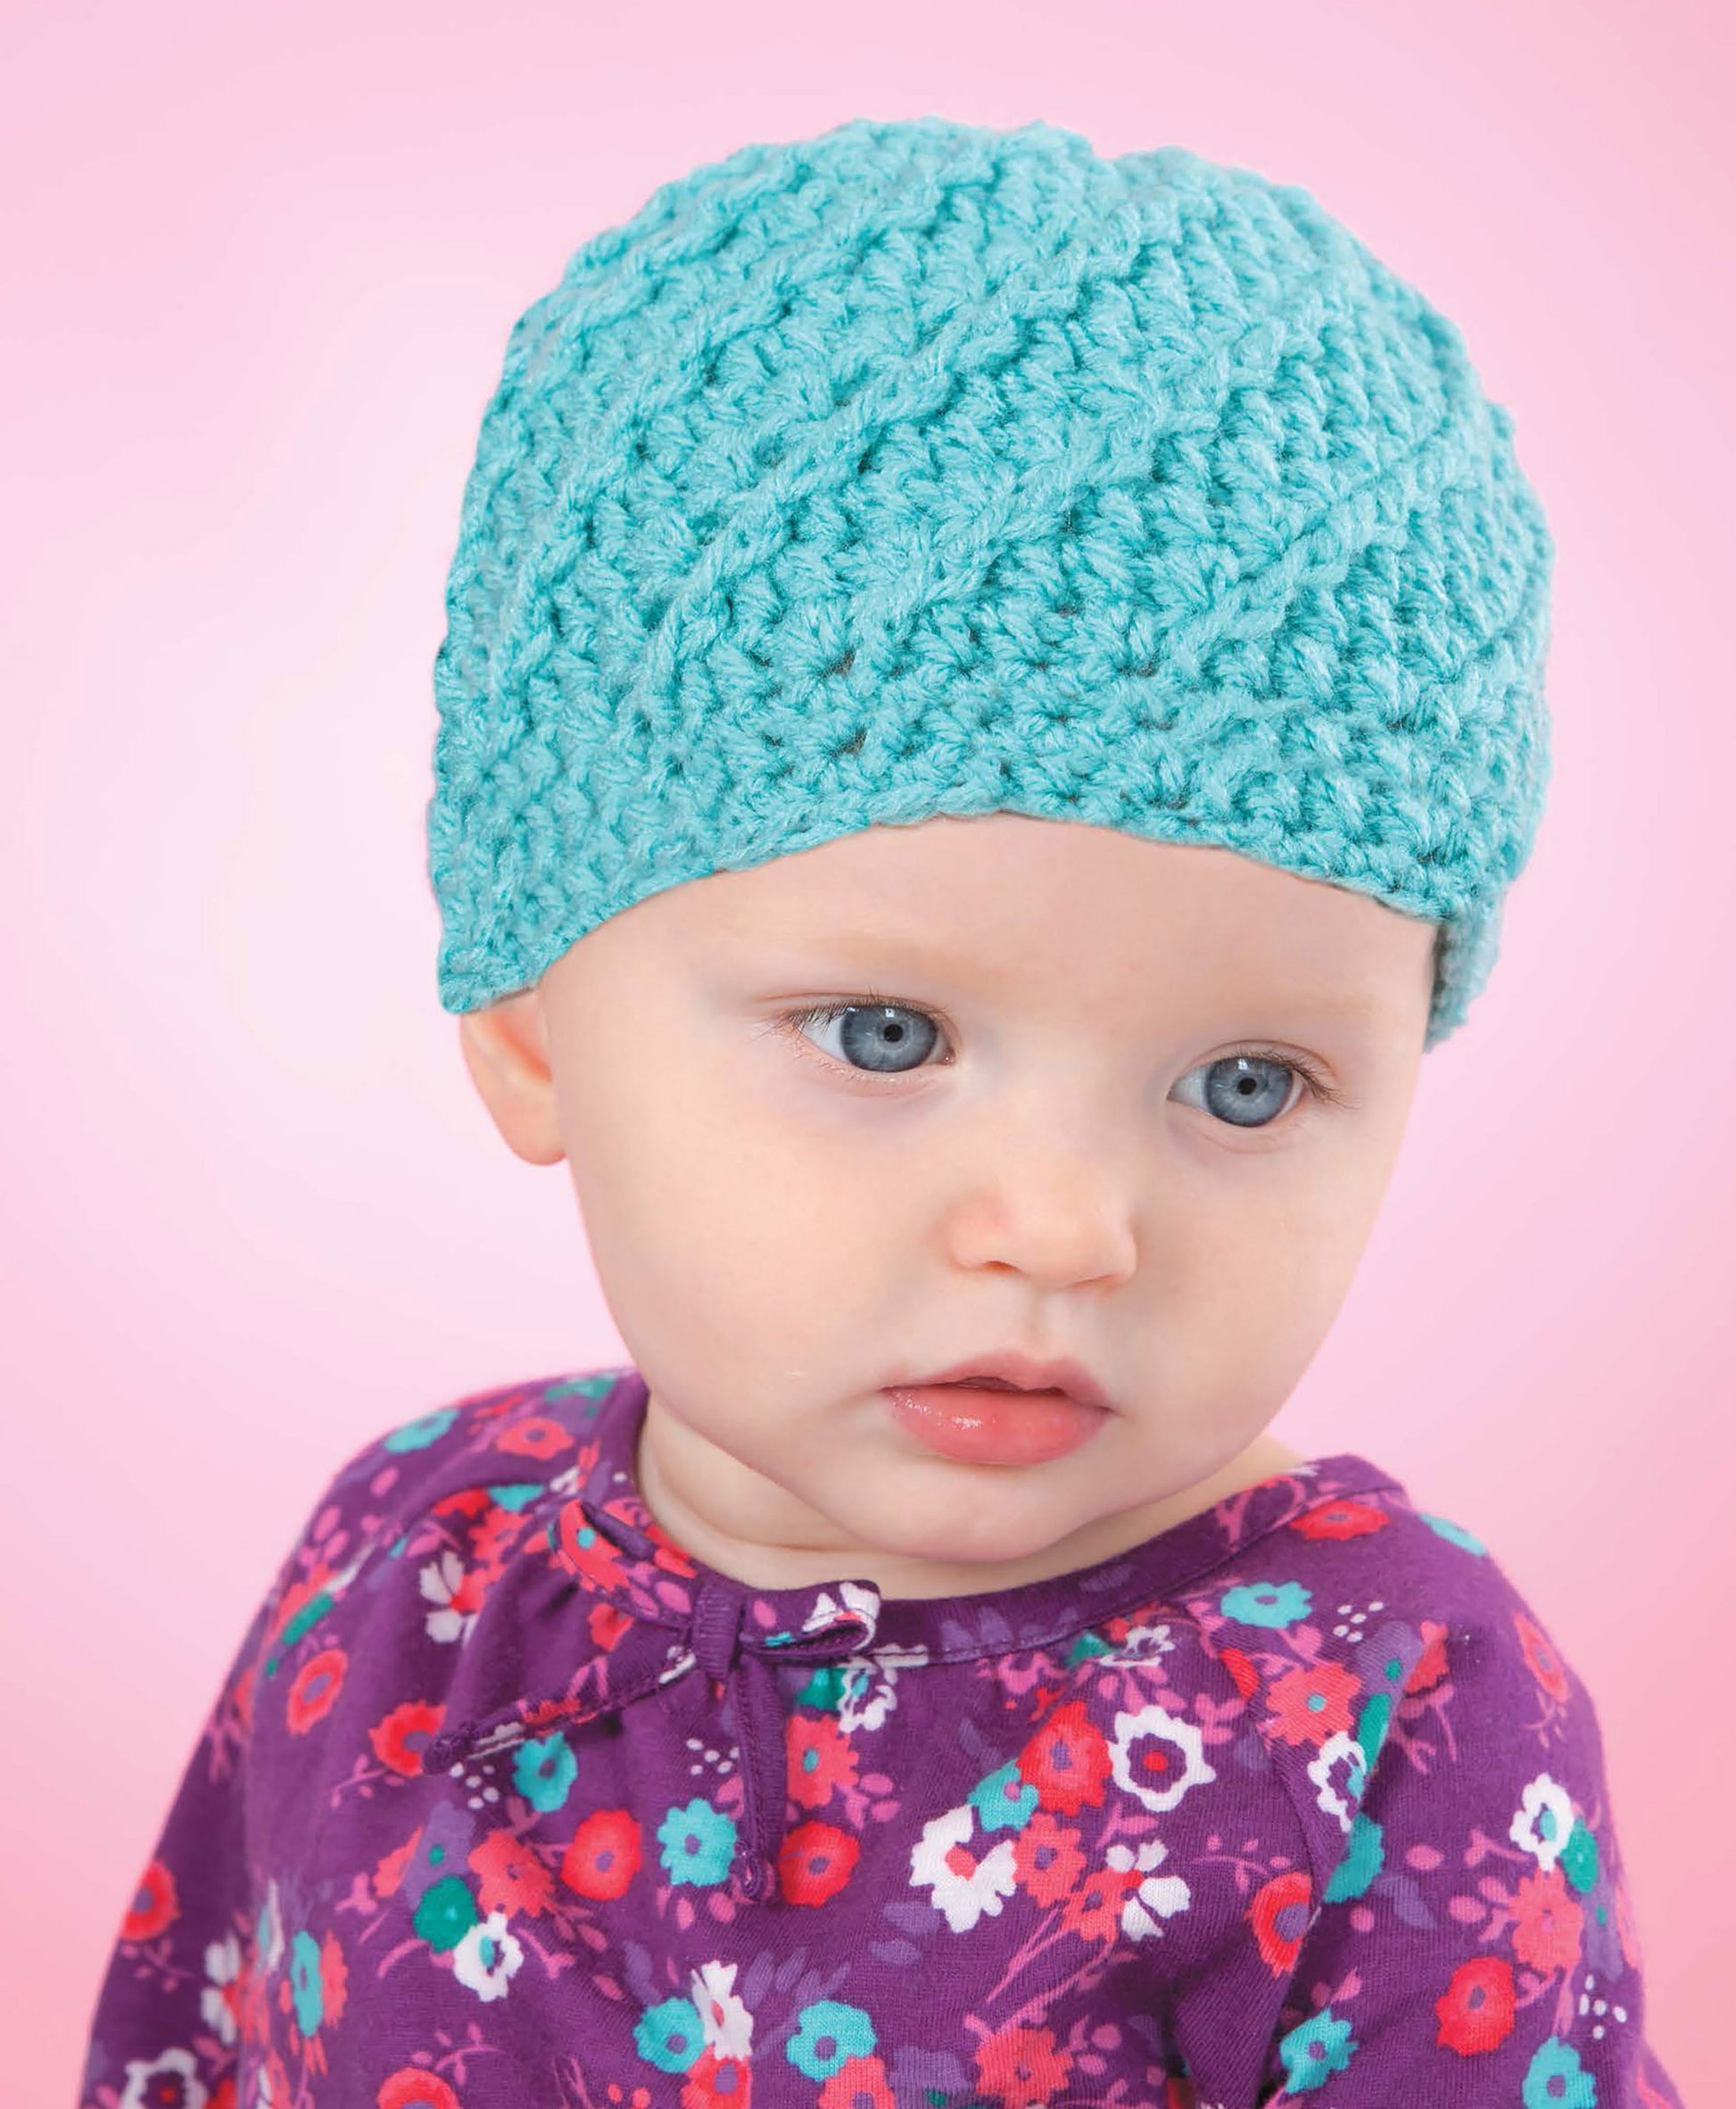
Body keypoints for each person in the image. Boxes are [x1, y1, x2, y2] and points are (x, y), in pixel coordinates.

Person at [79, 114, 1684, 2108]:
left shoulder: (1380, 1721)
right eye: (886, 1037)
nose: (1062, 1225)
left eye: (1245, 1083)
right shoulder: (408, 1568)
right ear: (532, 1022)